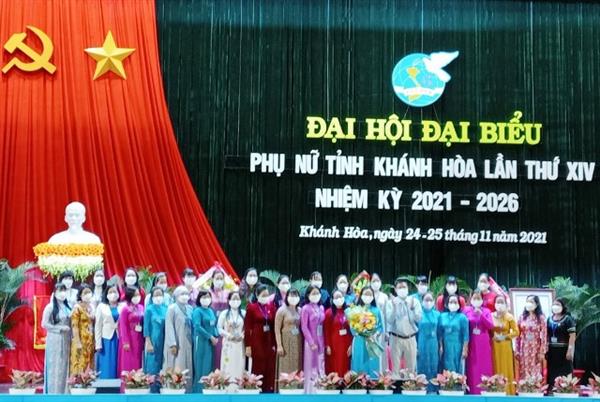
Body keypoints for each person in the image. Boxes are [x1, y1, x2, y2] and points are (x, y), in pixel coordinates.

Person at [244, 285, 277, 393]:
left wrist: (275, 343)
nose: (265, 297)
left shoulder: (271, 307)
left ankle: (269, 389)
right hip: (257, 340)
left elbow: (274, 325)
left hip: (269, 340)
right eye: (263, 295)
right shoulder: (251, 307)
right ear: (257, 295)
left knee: (270, 365)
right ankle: (257, 389)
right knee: (259, 364)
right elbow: (247, 328)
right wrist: (248, 346)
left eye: (267, 295)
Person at [386, 277, 422, 373]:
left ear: (407, 288)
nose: (402, 289)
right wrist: (394, 307)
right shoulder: (390, 303)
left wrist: (412, 309)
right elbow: (389, 320)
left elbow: (418, 318)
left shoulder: (414, 301)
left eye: (404, 287)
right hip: (395, 338)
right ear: (395, 289)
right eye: (400, 287)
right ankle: (396, 383)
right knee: (395, 369)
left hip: (410, 338)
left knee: (410, 369)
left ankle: (409, 382)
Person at [347, 286, 384, 377]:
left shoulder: (377, 310)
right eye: (365, 294)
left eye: (370, 294)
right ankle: (358, 382)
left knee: (372, 363)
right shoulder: (355, 310)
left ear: (373, 296)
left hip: (372, 341)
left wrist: (375, 334)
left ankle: (373, 381)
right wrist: (358, 332)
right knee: (358, 361)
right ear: (361, 296)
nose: (368, 296)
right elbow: (352, 326)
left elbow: (380, 327)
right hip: (359, 340)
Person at [42, 283, 72, 393]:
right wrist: (60, 328)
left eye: (64, 290)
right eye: (60, 291)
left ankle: (65, 392)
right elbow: (44, 324)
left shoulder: (67, 306)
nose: (62, 293)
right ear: (54, 293)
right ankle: (54, 393)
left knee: (65, 365)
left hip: (67, 339)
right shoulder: (50, 307)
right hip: (55, 339)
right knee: (56, 365)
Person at [163, 286, 194, 392]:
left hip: (188, 342)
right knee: (177, 365)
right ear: (176, 296)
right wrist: (172, 344)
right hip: (176, 343)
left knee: (187, 366)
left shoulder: (190, 309)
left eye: (186, 294)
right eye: (182, 294)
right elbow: (169, 326)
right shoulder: (172, 308)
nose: (185, 296)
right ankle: (174, 390)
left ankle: (187, 391)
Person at [464, 290, 494, 394]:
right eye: (474, 298)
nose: (476, 300)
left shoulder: (486, 311)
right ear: (471, 299)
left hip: (483, 343)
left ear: (482, 300)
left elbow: (490, 326)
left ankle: (485, 390)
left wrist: (481, 315)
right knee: (473, 368)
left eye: (478, 298)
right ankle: (473, 391)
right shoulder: (466, 310)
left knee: (484, 366)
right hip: (472, 342)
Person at [491, 295, 519, 394]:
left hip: (505, 345)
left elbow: (516, 332)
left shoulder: (509, 317)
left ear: (506, 304)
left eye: (501, 302)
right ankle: (495, 389)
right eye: (497, 302)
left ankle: (508, 392)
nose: (499, 304)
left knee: (506, 367)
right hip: (494, 345)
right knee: (495, 365)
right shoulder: (490, 316)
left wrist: (506, 336)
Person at [546, 298, 576, 390]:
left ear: (563, 307)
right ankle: (552, 389)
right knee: (552, 370)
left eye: (558, 304)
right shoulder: (549, 319)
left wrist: (570, 350)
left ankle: (565, 389)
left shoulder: (568, 319)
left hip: (564, 350)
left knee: (565, 371)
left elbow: (572, 335)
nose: (555, 306)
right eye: (554, 304)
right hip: (552, 350)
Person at [218, 291, 246, 388]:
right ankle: (226, 387)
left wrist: (242, 335)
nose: (235, 301)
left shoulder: (244, 313)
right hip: (228, 344)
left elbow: (247, 328)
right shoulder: (224, 314)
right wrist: (228, 335)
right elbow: (219, 328)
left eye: (237, 299)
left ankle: (239, 387)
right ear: (229, 301)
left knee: (239, 365)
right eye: (233, 299)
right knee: (227, 365)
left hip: (240, 344)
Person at [192, 290, 219, 392]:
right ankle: (198, 392)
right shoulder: (197, 311)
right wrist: (210, 337)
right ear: (199, 299)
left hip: (210, 343)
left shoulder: (211, 311)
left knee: (208, 367)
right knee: (200, 367)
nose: (206, 299)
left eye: (208, 297)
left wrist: (216, 336)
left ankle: (207, 390)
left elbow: (214, 325)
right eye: (203, 297)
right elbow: (197, 326)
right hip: (201, 341)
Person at [275, 289, 302, 384]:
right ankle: (284, 387)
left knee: (297, 364)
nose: (293, 298)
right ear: (287, 297)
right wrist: (279, 345)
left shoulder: (300, 310)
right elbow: (277, 329)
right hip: (285, 341)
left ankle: (296, 387)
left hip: (297, 341)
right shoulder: (281, 310)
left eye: (295, 295)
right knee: (285, 365)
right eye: (291, 295)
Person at [301, 285, 325, 393]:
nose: (316, 295)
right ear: (308, 295)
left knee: (321, 365)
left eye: (317, 293)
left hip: (321, 340)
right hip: (310, 342)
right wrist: (311, 342)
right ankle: (309, 391)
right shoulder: (305, 308)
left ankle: (319, 389)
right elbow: (304, 327)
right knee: (311, 366)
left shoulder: (321, 308)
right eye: (313, 293)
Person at [143, 286, 167, 392]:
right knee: (152, 366)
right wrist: (148, 342)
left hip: (164, 341)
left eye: (160, 295)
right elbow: (146, 327)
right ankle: (152, 391)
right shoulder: (149, 309)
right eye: (156, 295)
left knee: (163, 366)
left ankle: (161, 390)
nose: (158, 297)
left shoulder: (166, 308)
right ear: (152, 297)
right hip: (153, 341)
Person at [517, 295, 547, 379]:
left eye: (531, 302)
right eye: (527, 301)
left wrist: (542, 351)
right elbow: (518, 335)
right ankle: (525, 385)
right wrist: (517, 349)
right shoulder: (522, 317)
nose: (529, 304)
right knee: (524, 369)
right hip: (524, 348)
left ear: (536, 304)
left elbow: (544, 335)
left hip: (535, 347)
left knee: (535, 370)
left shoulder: (541, 317)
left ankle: (535, 385)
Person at [438, 294, 469, 373]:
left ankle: (456, 380)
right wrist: (440, 346)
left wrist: (465, 349)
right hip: (446, 346)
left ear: (459, 304)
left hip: (457, 345)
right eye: (451, 302)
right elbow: (440, 332)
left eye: (455, 302)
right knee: (445, 366)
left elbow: (466, 335)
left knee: (457, 367)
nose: (453, 304)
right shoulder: (442, 316)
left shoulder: (462, 317)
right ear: (447, 304)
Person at [324, 289, 352, 375]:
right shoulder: (328, 313)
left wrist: (351, 345)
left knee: (346, 364)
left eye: (340, 296)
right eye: (336, 297)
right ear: (332, 299)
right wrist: (327, 345)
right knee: (335, 364)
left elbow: (352, 330)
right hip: (334, 344)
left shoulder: (349, 311)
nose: (338, 299)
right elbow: (326, 331)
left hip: (346, 343)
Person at [95, 284, 120, 378]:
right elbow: (98, 326)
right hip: (106, 339)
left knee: (118, 363)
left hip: (119, 338)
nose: (113, 294)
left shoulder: (123, 306)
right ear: (106, 294)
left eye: (115, 292)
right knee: (107, 364)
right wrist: (98, 343)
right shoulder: (101, 307)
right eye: (110, 292)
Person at [416, 292, 440, 392]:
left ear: (434, 301)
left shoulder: (438, 315)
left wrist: (441, 345)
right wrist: (416, 346)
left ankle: (433, 390)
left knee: (434, 364)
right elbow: (415, 331)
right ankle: (422, 388)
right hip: (421, 342)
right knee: (422, 364)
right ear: (422, 301)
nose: (428, 302)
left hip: (434, 343)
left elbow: (440, 332)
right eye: (426, 300)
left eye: (430, 300)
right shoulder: (418, 314)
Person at [70, 284, 95, 375]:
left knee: (89, 363)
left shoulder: (91, 307)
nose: (88, 295)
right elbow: (75, 326)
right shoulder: (77, 308)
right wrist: (77, 341)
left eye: (89, 292)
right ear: (80, 295)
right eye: (85, 293)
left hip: (90, 340)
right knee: (79, 361)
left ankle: (87, 379)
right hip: (80, 339)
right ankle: (77, 380)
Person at [118, 286, 145, 372]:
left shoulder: (141, 307)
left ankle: (138, 378)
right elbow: (123, 326)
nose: (137, 297)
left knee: (138, 359)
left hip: (138, 337)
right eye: (135, 295)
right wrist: (125, 341)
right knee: (128, 360)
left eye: (138, 294)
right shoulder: (125, 309)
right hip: (129, 337)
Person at [209, 269, 229, 369]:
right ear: (212, 279)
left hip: (224, 327)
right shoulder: (208, 293)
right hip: (211, 327)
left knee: (224, 353)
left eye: (221, 278)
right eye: (217, 278)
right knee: (213, 353)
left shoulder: (228, 293)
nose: (219, 281)